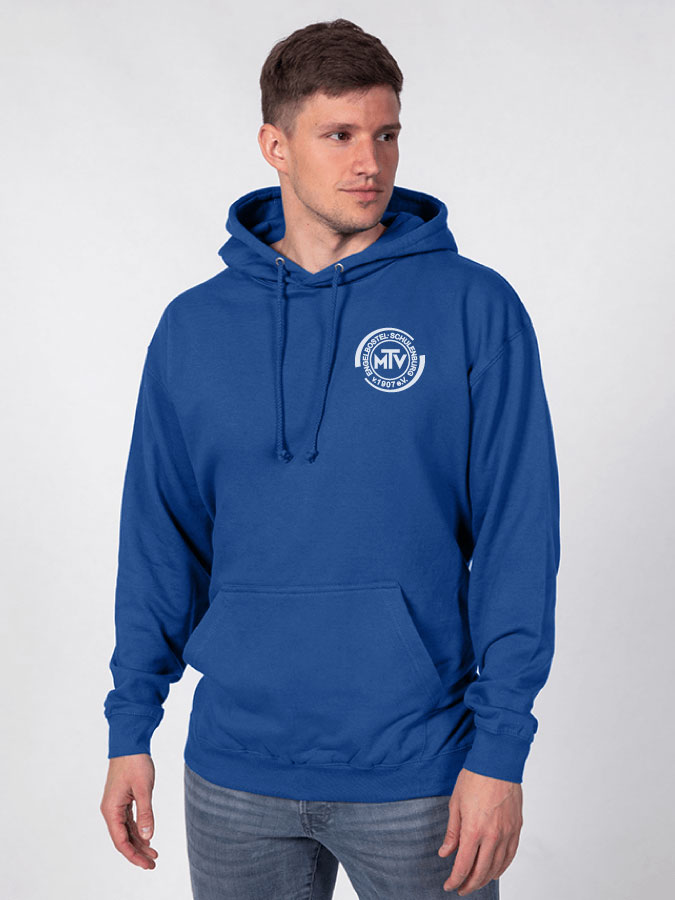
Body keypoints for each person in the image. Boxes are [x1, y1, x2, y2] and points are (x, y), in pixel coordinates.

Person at [99, 18, 560, 899]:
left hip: (420, 771)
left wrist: (500, 750)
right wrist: (131, 726)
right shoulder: (194, 328)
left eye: (386, 134)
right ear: (275, 146)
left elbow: (517, 537)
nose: (369, 162)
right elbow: (159, 538)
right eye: (339, 135)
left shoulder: (473, 307)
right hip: (233, 771)